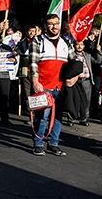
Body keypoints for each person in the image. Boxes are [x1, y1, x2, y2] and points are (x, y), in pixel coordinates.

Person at [29, 14, 77, 156]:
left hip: (60, 87)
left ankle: (53, 143)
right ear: (45, 25)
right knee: (42, 117)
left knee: (58, 117)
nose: (54, 26)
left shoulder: (66, 42)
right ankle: (38, 144)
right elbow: (33, 63)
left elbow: (74, 62)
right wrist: (35, 81)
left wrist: (74, 78)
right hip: (43, 86)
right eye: (50, 24)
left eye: (56, 23)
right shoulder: (38, 40)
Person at [17, 25, 38, 119]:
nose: (31, 33)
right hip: (25, 69)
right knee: (27, 93)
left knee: (36, 91)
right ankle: (31, 115)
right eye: (30, 31)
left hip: (36, 70)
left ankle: (38, 114)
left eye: (33, 31)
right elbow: (19, 51)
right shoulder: (22, 42)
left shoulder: (39, 41)